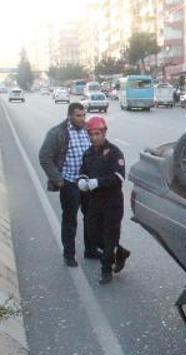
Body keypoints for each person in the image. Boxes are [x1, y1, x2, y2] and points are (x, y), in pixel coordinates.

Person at [38, 103, 97, 267]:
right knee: (70, 220)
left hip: (87, 183)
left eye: (84, 115)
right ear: (70, 116)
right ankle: (69, 254)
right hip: (69, 183)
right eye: (78, 116)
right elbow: (44, 157)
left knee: (91, 217)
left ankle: (90, 250)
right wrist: (58, 180)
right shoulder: (57, 133)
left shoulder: (87, 129)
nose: (82, 119)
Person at [77, 116, 130, 284]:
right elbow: (84, 171)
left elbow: (119, 177)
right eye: (91, 134)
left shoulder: (114, 152)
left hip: (112, 202)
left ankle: (106, 270)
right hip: (94, 202)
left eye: (97, 134)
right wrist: (82, 180)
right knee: (93, 235)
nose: (94, 137)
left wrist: (97, 182)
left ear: (104, 132)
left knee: (109, 236)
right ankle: (119, 251)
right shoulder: (88, 153)